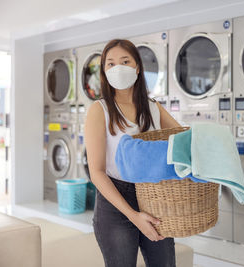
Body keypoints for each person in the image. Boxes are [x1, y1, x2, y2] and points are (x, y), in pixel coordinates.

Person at [85, 39, 180, 267]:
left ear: (137, 67)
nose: (118, 68)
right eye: (110, 64)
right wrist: (133, 215)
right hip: (116, 201)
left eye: (125, 61)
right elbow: (97, 172)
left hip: (154, 197)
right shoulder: (100, 110)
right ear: (104, 72)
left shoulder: (153, 107)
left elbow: (182, 140)